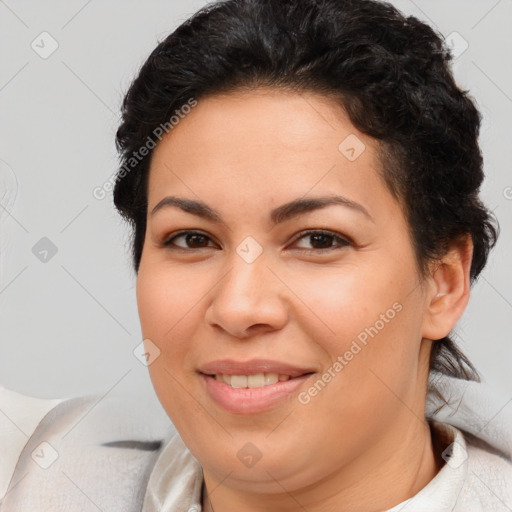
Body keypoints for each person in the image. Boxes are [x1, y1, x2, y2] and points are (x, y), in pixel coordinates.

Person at [1, 0, 511, 510]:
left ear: (443, 284)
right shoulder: (31, 476)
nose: (239, 308)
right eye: (192, 239)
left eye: (318, 240)